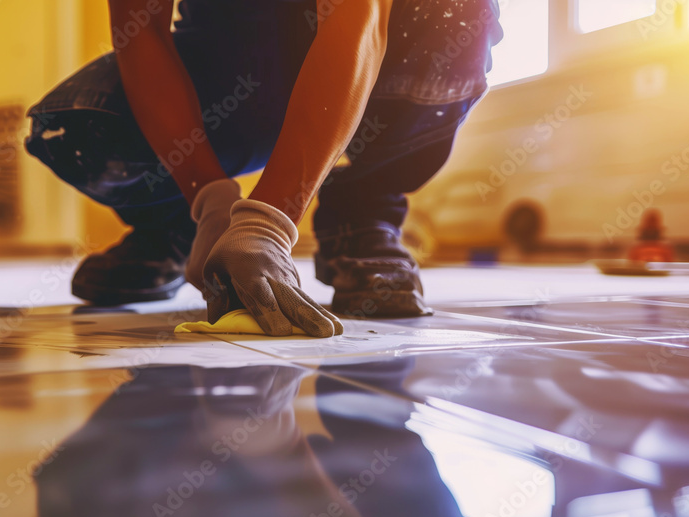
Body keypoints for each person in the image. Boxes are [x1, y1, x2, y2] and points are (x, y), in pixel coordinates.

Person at [26, 0, 503, 338]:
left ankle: (362, 214)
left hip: (369, 62)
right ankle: (174, 224)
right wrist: (206, 198)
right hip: (236, 67)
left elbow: (358, 21)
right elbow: (141, 34)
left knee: (456, 12)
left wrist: (266, 223)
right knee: (78, 125)